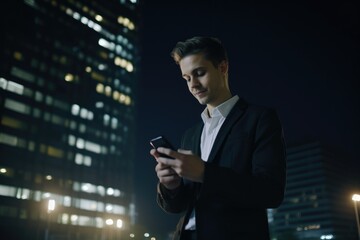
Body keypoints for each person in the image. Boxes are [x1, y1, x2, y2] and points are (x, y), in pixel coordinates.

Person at [150, 36, 286, 240]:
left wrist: (205, 173)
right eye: (187, 78)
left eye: (200, 73)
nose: (193, 85)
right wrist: (171, 186)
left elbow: (271, 192)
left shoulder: (260, 118)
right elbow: (177, 206)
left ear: (223, 67)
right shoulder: (191, 134)